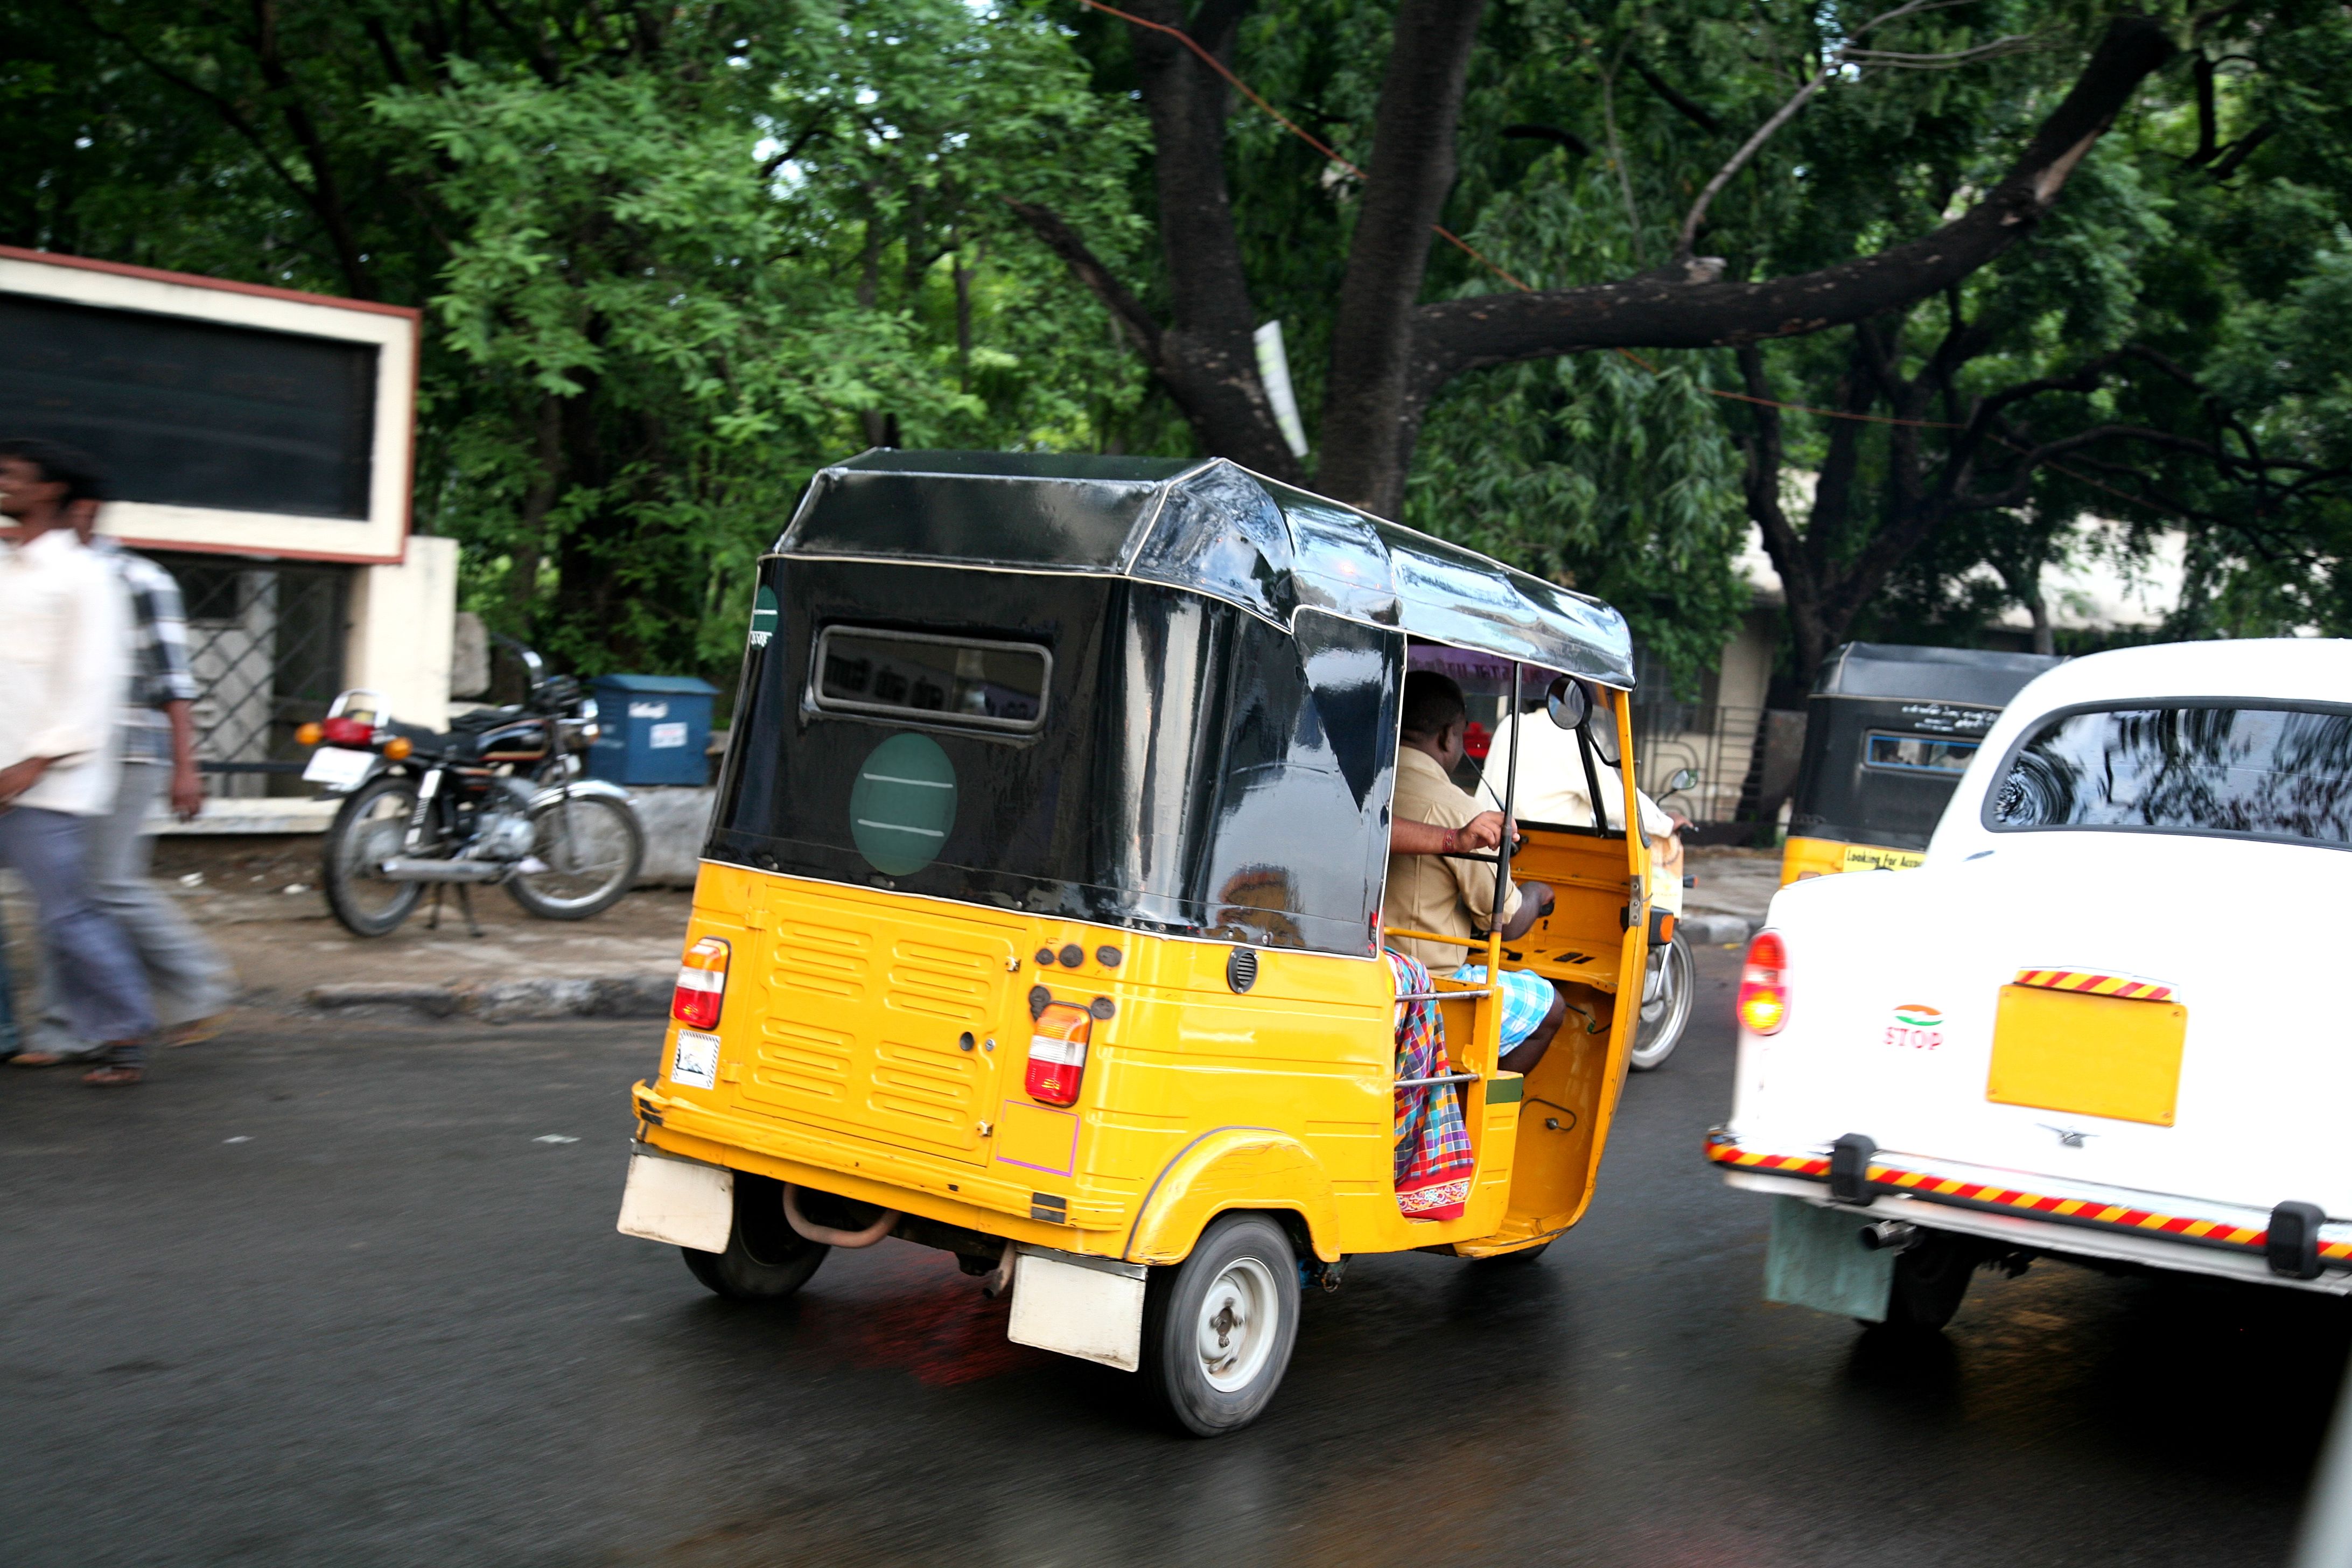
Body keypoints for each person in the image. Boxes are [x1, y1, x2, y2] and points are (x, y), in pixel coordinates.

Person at [12, 504, 234, 1061]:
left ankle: (199, 984)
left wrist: (187, 766)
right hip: (54, 755)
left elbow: (175, 684)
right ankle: (64, 1029)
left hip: (130, 751)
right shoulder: (32, 576)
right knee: (59, 893)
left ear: (78, 510)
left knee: (108, 883)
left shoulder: (139, 578)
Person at [0, 437, 157, 1084]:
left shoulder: (85, 576)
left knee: (66, 913)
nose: (2, 482)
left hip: (44, 780)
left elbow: (92, 681)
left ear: (50, 492)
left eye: (13, 474)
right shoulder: (8, 564)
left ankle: (123, 1031)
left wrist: (33, 762)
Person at [1382, 670, 1564, 1076]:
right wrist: (1535, 893)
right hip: (1429, 985)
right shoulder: (1459, 812)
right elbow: (1507, 922)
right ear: (1449, 736)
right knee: (1551, 1006)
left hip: (1366, 966)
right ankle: (1461, 1122)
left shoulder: (1359, 790)